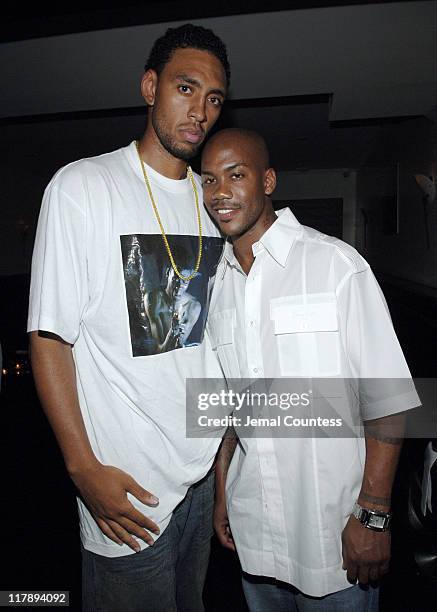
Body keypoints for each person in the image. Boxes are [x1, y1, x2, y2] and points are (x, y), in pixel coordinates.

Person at [28, 24, 229, 612]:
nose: (200, 111)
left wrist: (221, 474)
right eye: (185, 88)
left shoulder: (214, 203)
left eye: (213, 98)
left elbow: (212, 352)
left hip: (199, 482)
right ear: (150, 86)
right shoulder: (82, 187)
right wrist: (82, 468)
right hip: (126, 494)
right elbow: (48, 337)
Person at [201, 128, 421, 611]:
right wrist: (222, 494)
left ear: (268, 180)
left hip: (336, 539)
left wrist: (375, 516)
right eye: (209, 179)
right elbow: (230, 407)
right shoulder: (217, 288)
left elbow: (388, 401)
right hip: (254, 530)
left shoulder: (336, 266)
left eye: (235, 175)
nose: (219, 191)